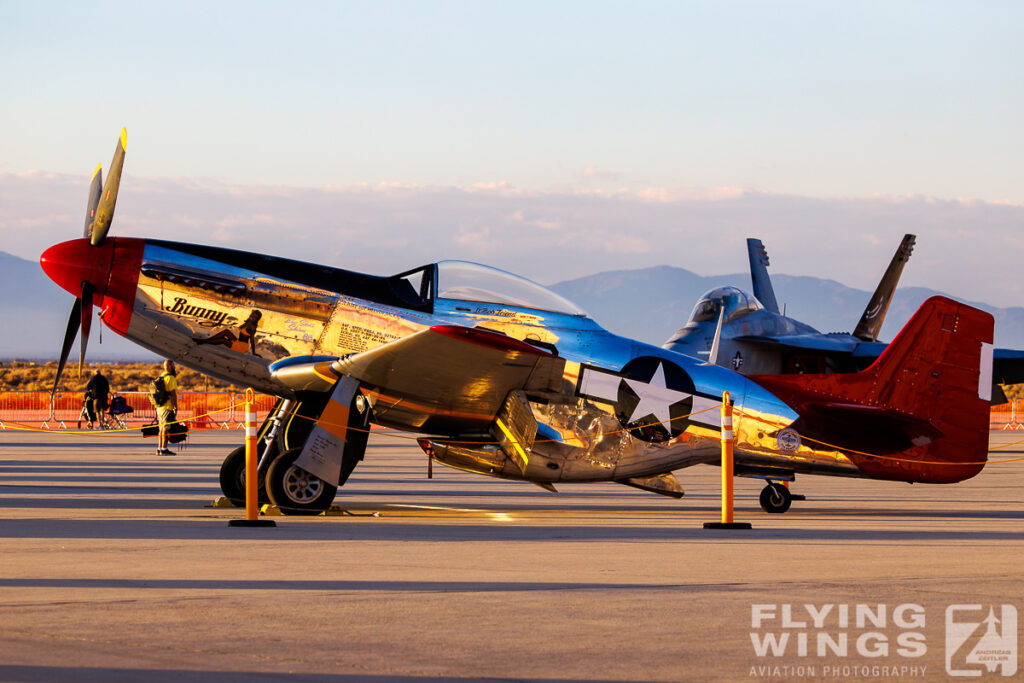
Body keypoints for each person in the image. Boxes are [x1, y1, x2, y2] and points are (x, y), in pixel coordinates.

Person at [152, 360, 179, 456]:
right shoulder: (170, 378)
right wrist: (176, 406)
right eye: (173, 365)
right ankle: (164, 449)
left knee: (161, 429)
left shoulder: (161, 377)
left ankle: (159, 448)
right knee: (166, 429)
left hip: (159, 408)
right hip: (167, 407)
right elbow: (173, 394)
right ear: (170, 367)